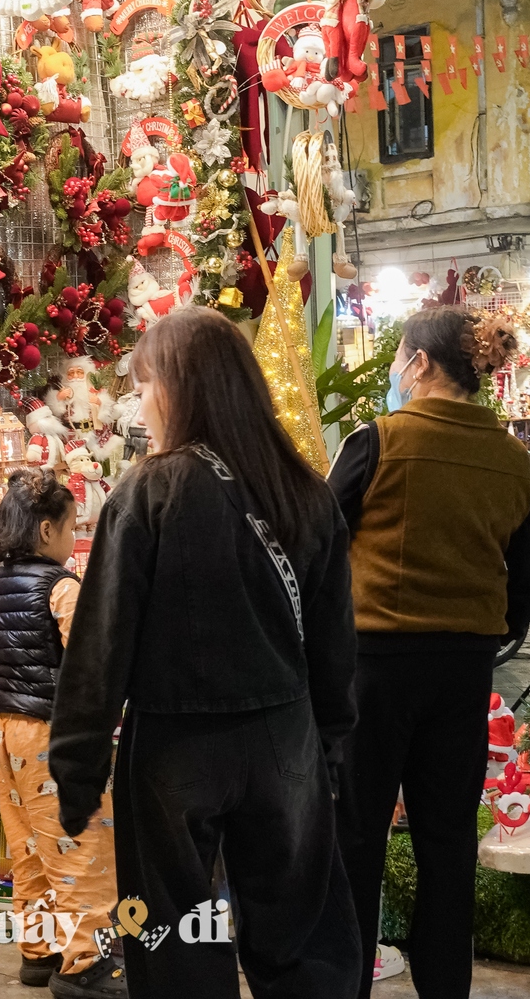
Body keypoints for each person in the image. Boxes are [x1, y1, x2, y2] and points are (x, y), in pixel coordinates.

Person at [51, 307, 361, 999]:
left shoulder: (150, 489)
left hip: (174, 750)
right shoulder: (305, 491)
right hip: (286, 742)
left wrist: (77, 769)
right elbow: (337, 644)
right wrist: (331, 744)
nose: (139, 402)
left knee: (177, 943)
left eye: (144, 384)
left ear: (180, 388)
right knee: (302, 941)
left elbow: (102, 646)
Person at [327, 306, 530, 999]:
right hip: (465, 668)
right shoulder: (517, 461)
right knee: (448, 839)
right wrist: (484, 632)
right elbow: (528, 582)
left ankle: (348, 982)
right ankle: (446, 986)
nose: (395, 371)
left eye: (399, 359)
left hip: (375, 669)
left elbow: (321, 544)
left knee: (358, 838)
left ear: (420, 364)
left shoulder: (379, 441)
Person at [0, 469, 124, 997]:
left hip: (7, 731)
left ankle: (38, 953)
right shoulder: (61, 586)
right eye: (70, 527)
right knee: (79, 843)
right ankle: (85, 965)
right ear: (47, 531)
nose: (72, 537)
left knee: (28, 848)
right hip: (49, 732)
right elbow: (89, 659)